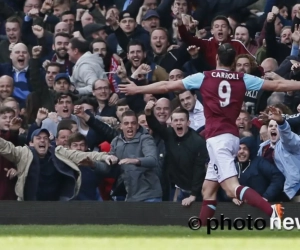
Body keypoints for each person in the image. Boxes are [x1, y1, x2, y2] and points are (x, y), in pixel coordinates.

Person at [118, 43, 300, 227]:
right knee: (208, 189)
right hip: (230, 137)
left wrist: (138, 89)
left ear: (217, 58)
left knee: (231, 189)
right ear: (233, 61)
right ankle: (201, 228)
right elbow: (278, 83)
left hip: (218, 138)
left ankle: (272, 211)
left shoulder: (203, 77)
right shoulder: (243, 78)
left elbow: (167, 85)